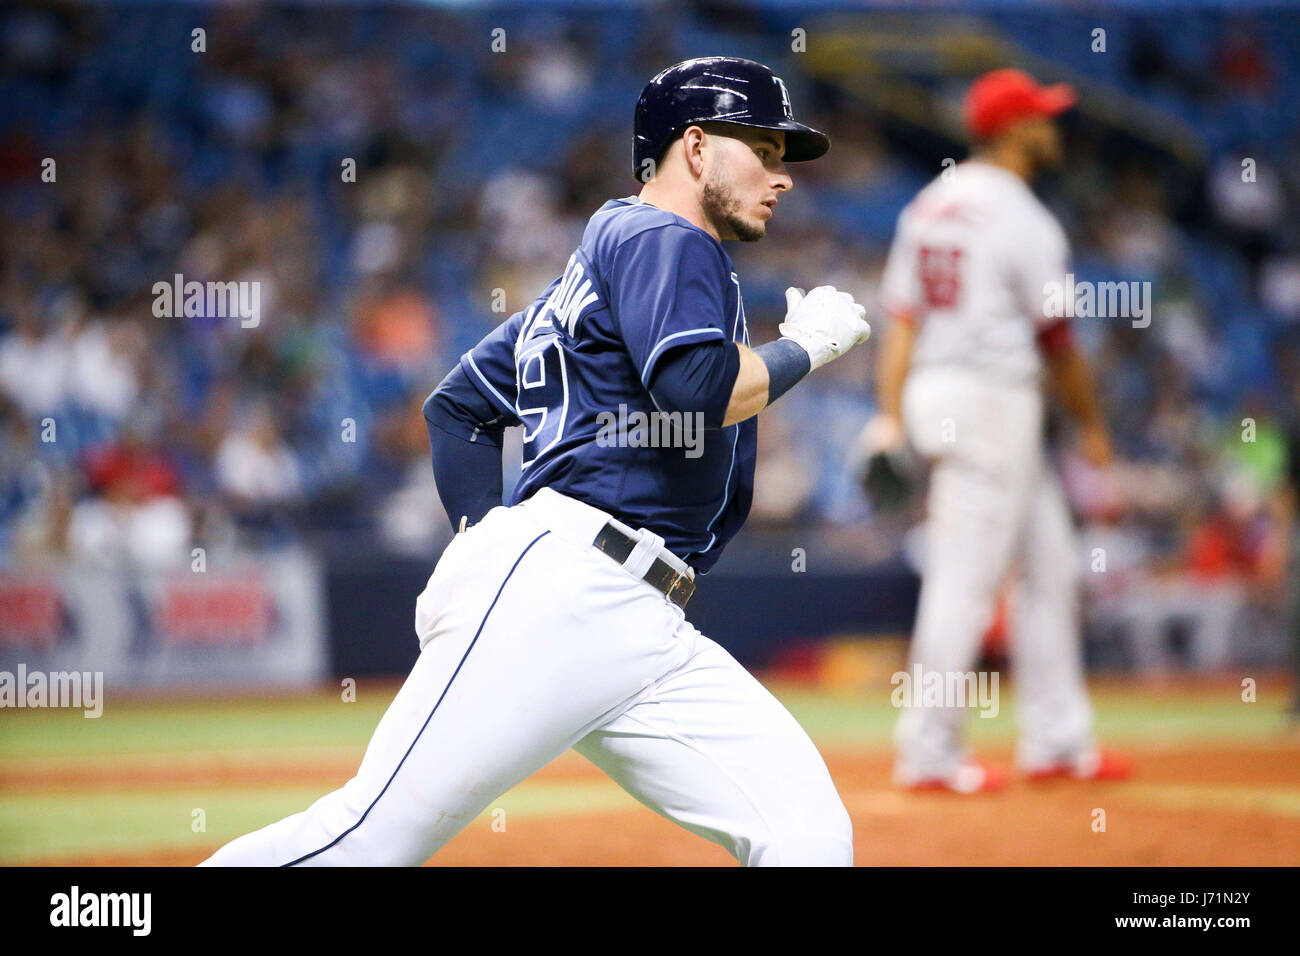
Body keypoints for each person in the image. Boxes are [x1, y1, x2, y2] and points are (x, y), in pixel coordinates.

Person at [201, 57, 871, 866]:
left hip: (639, 615)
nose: (782, 173)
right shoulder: (664, 235)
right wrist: (808, 345)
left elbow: (457, 407)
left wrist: (482, 535)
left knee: (805, 831)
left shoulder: (590, 276)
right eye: (762, 148)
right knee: (369, 839)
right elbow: (696, 391)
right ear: (695, 147)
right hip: (569, 584)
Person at [866, 68, 1132, 793]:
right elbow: (1058, 341)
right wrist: (1094, 425)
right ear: (1013, 131)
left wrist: (891, 415)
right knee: (964, 578)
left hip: (937, 391)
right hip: (992, 400)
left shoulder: (928, 205)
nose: (1053, 129)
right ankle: (928, 749)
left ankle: (1056, 740)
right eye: (1042, 118)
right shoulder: (1022, 216)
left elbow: (901, 322)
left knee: (1051, 567)